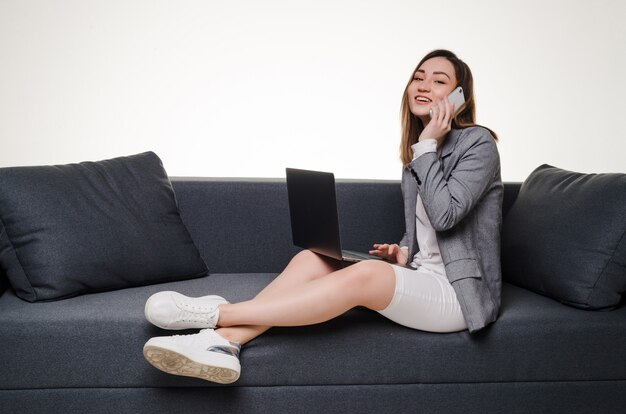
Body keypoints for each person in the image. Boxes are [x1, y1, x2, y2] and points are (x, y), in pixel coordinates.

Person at [142, 49, 503, 384]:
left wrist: (425, 144)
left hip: (459, 296)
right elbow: (426, 234)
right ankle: (223, 345)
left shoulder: (477, 145)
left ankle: (218, 316)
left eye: (439, 80)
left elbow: (445, 216)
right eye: (419, 76)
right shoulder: (418, 156)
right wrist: (405, 252)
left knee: (365, 275)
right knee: (313, 257)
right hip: (424, 277)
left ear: (460, 98)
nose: (424, 85)